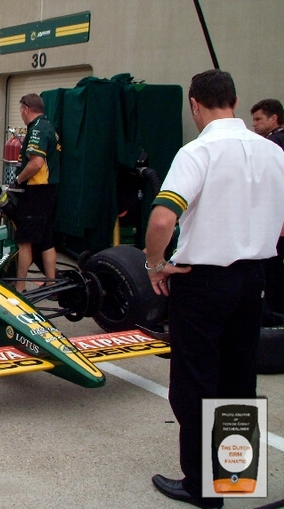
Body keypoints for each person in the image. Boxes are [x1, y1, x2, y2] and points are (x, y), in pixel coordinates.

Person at [144, 70, 284, 509]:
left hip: (202, 282)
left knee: (194, 379)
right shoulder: (272, 152)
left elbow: (163, 219)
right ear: (236, 101)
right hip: (254, 277)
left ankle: (201, 487)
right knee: (239, 375)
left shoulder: (197, 151)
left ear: (194, 104)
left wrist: (153, 265)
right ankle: (235, 475)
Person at [12, 93, 61, 293]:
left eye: (20, 110)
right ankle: (51, 284)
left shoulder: (37, 129)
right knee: (47, 239)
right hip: (50, 190)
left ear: (25, 108)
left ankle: (19, 286)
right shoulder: (49, 126)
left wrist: (18, 179)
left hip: (35, 191)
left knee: (25, 241)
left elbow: (36, 163)